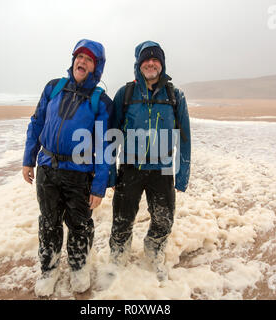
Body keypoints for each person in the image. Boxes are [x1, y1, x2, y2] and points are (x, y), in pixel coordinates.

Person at [22, 39, 113, 296]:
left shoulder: (101, 101)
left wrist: (99, 185)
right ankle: (49, 270)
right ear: (73, 60)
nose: (81, 61)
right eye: (79, 57)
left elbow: (106, 145)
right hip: (48, 169)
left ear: (96, 68)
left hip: (80, 174)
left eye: (89, 59)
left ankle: (78, 267)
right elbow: (37, 122)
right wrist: (28, 159)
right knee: (49, 223)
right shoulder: (54, 87)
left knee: (80, 225)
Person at [107, 41, 191, 281]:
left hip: (163, 169)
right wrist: (111, 172)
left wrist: (182, 174)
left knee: (164, 220)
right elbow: (111, 134)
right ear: (139, 63)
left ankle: (154, 250)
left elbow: (184, 139)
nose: (151, 63)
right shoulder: (126, 94)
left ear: (162, 65)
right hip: (130, 168)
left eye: (156, 59)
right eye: (146, 59)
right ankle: (118, 255)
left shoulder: (176, 96)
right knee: (121, 219)